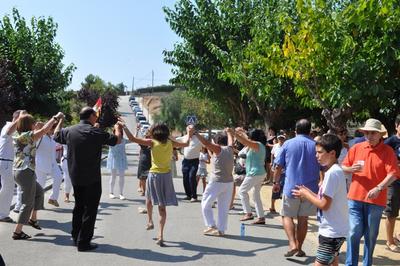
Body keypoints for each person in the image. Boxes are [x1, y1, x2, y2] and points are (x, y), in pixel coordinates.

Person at [53, 107, 122, 251]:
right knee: (90, 210)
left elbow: (55, 135)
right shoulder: (95, 132)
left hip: (76, 176)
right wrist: (118, 128)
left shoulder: (70, 131)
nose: (96, 117)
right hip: (92, 178)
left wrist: (60, 121)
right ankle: (84, 242)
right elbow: (117, 140)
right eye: (95, 115)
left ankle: (76, 236)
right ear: (91, 116)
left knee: (79, 206)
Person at [122, 122, 193, 246]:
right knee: (162, 207)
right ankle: (160, 234)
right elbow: (186, 143)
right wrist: (189, 133)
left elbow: (132, 138)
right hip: (166, 177)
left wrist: (124, 126)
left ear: (154, 132)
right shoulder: (171, 143)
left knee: (149, 199)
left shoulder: (152, 142)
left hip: (154, 175)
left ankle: (150, 221)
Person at [342, 118, 399, 265]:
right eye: (367, 133)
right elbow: (343, 166)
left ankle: (367, 263)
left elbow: (393, 174)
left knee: (371, 235)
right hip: (354, 197)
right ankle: (351, 263)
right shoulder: (356, 147)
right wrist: (350, 169)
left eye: (373, 133)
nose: (369, 136)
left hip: (376, 201)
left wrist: (379, 187)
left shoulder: (388, 151)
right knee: (353, 231)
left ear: (380, 134)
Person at [292, 134, 349, 266]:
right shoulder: (333, 171)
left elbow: (324, 204)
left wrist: (306, 195)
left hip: (332, 232)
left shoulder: (332, 173)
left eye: (320, 152)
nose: (316, 156)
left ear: (332, 153)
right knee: (333, 262)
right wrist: (308, 192)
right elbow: (325, 199)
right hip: (333, 229)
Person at [12, 111, 64, 240]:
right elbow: (45, 129)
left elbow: (42, 130)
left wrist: (39, 125)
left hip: (22, 171)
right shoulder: (26, 136)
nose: (35, 124)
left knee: (39, 192)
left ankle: (33, 219)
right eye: (33, 123)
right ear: (28, 125)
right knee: (27, 203)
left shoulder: (19, 134)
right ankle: (17, 232)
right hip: (24, 172)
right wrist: (55, 117)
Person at [273, 119, 320, 257]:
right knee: (303, 219)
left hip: (291, 187)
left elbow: (278, 166)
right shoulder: (316, 145)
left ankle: (292, 244)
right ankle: (299, 248)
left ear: (295, 130)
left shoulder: (287, 144)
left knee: (287, 215)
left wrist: (276, 182)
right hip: (310, 190)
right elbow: (323, 167)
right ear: (310, 131)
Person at [196, 128, 234, 236]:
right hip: (228, 183)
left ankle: (211, 225)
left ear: (217, 142)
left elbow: (206, 143)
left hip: (217, 182)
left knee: (205, 203)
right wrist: (229, 132)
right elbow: (231, 140)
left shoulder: (218, 149)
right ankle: (221, 230)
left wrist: (196, 133)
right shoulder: (230, 148)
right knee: (223, 208)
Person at [235, 128, 267, 224]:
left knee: (242, 191)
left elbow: (245, 141)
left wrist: (234, 133)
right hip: (259, 173)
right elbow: (246, 140)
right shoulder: (258, 145)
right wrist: (242, 133)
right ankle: (261, 217)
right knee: (255, 195)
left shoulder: (257, 145)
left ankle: (248, 213)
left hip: (255, 173)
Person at [0, 110, 23, 223]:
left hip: (7, 162)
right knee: (7, 189)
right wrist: (21, 117)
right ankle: (2, 215)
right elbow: (9, 131)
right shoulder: (9, 126)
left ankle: (2, 213)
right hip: (6, 162)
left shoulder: (13, 129)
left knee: (6, 189)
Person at [382, 115, 400, 253]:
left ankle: (398, 235)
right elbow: (381, 158)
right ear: (396, 125)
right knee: (392, 212)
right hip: (394, 182)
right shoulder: (391, 141)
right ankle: (390, 241)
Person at [35, 123, 63, 207]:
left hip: (52, 163)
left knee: (59, 177)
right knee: (40, 185)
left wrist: (61, 120)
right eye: (52, 129)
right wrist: (38, 127)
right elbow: (36, 132)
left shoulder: (52, 138)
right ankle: (37, 204)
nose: (53, 131)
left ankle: (53, 198)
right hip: (40, 164)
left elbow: (58, 129)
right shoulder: (41, 136)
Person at [176, 129, 202, 202]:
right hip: (186, 161)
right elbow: (175, 140)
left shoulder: (198, 138)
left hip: (194, 161)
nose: (190, 131)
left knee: (191, 177)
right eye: (188, 130)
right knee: (185, 178)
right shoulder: (185, 137)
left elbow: (206, 144)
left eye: (191, 130)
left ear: (194, 131)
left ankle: (194, 196)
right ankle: (188, 195)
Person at [106, 130, 129, 200]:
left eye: (120, 132)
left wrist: (137, 130)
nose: (119, 134)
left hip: (121, 159)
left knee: (122, 176)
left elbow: (132, 139)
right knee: (113, 176)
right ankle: (111, 192)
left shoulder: (124, 140)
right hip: (113, 159)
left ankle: (121, 194)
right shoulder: (111, 140)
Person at [270, 132, 286, 214]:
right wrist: (272, 163)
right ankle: (272, 206)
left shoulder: (286, 146)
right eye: (279, 138)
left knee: (283, 189)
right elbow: (272, 154)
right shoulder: (276, 146)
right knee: (275, 187)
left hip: (284, 170)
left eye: (282, 138)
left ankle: (284, 208)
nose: (281, 139)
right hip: (277, 166)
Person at [137, 130, 151, 197]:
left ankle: (144, 191)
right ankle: (143, 191)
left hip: (150, 160)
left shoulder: (152, 142)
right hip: (145, 160)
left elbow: (135, 139)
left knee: (145, 178)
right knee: (143, 177)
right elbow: (135, 139)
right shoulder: (145, 142)